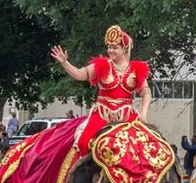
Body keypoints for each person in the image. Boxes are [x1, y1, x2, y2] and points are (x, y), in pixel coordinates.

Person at [51, 26, 152, 154]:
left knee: (144, 146)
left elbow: (146, 93)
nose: (110, 50)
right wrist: (65, 63)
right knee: (83, 143)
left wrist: (143, 113)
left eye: (115, 47)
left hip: (127, 114)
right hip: (102, 113)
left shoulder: (136, 69)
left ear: (124, 48)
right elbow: (79, 74)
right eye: (109, 47)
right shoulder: (101, 66)